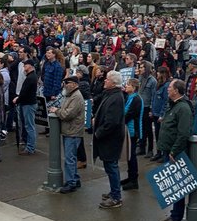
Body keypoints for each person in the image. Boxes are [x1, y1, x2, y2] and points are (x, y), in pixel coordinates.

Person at [156, 79, 193, 221]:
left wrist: (174, 151)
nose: (167, 89)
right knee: (172, 185)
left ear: (176, 90)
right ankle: (173, 214)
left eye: (170, 87)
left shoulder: (183, 108)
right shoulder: (174, 105)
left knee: (177, 186)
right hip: (168, 149)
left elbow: (183, 133)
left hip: (174, 152)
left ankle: (176, 217)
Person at [92, 70, 125, 209]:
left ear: (113, 83)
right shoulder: (111, 94)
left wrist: (98, 133)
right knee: (110, 166)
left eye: (107, 79)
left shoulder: (116, 98)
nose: (105, 81)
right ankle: (114, 191)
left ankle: (116, 197)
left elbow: (112, 122)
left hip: (111, 139)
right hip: (108, 138)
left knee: (111, 167)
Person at [50, 74, 85, 194]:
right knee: (71, 158)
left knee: (69, 158)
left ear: (74, 84)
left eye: (67, 83)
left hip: (72, 132)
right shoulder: (70, 95)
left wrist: (57, 111)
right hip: (69, 131)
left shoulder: (76, 97)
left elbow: (67, 114)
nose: (65, 85)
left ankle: (71, 183)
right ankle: (74, 179)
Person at [121, 76, 143, 191]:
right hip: (129, 130)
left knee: (132, 156)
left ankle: (134, 180)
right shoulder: (130, 97)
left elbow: (129, 114)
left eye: (128, 85)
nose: (126, 86)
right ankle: (130, 177)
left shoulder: (136, 99)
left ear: (134, 88)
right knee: (130, 155)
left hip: (133, 131)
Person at [14, 60, 39, 155]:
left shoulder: (30, 78)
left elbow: (24, 92)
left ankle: (30, 147)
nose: (24, 66)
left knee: (29, 126)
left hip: (28, 104)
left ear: (31, 66)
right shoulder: (31, 77)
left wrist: (18, 99)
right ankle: (29, 145)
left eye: (26, 65)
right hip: (27, 103)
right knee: (28, 125)